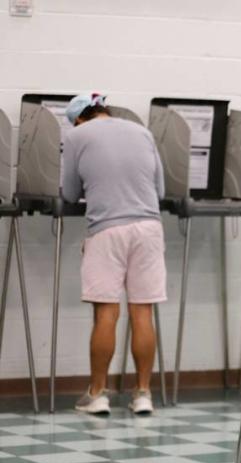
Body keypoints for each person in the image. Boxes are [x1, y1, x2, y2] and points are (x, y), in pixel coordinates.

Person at [61, 93, 166, 415]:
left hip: (107, 229)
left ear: (79, 118)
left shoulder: (77, 135)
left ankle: (97, 395)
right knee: (142, 313)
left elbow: (70, 193)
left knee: (107, 314)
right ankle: (144, 394)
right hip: (149, 228)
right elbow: (160, 191)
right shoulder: (142, 131)